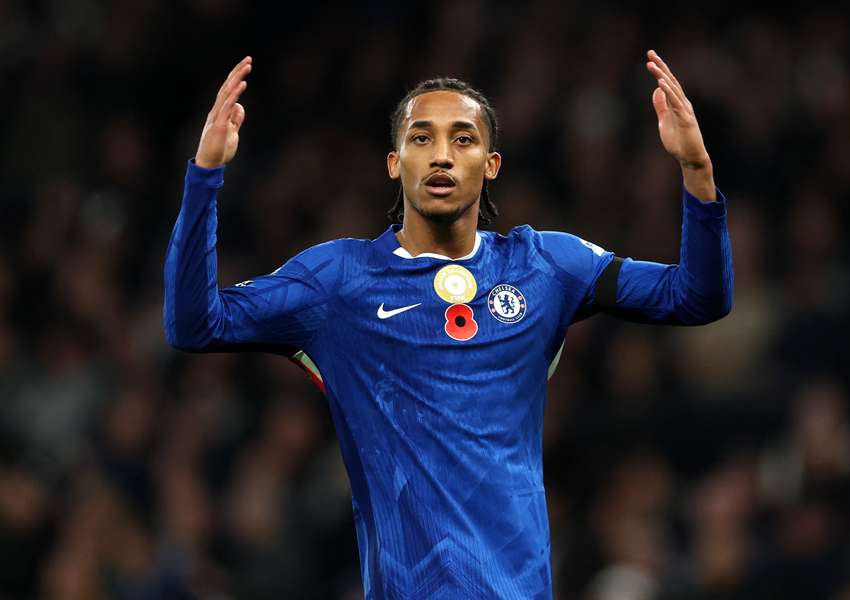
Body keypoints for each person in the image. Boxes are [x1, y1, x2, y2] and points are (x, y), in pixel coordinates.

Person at [164, 50, 733, 599]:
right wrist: (206, 176)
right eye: (421, 138)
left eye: (462, 139)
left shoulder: (543, 267)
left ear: (491, 164)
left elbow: (697, 297)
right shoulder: (339, 282)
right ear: (395, 163)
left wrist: (696, 169)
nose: (441, 155)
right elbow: (196, 324)